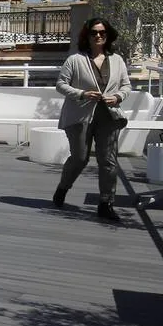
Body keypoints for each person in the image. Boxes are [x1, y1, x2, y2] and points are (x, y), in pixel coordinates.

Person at [52, 17, 131, 221]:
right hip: (80, 116)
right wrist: (82, 93)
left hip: (109, 116)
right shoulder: (75, 60)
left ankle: (106, 203)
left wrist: (118, 97)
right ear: (86, 36)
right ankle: (63, 187)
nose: (98, 36)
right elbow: (61, 84)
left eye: (102, 32)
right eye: (94, 32)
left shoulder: (117, 60)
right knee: (80, 158)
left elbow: (126, 86)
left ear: (108, 35)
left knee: (108, 161)